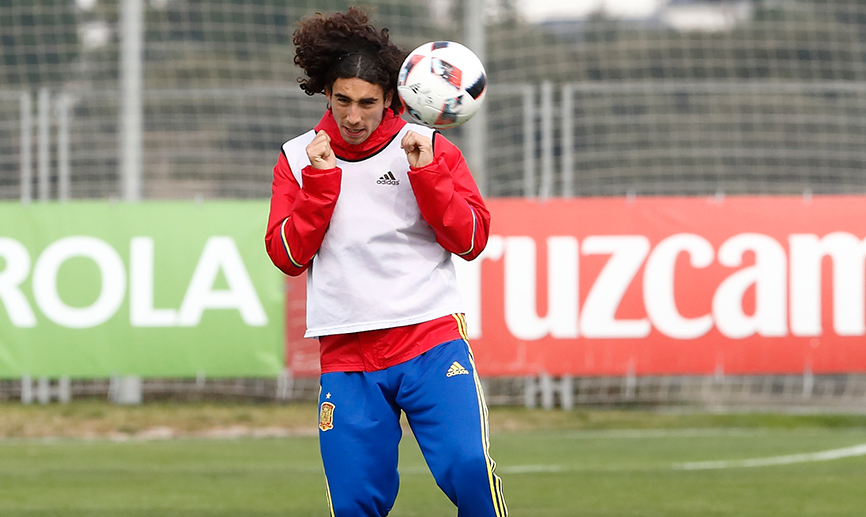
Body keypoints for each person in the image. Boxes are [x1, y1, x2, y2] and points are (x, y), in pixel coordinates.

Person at [264, 7, 507, 517]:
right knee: (355, 504)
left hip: (430, 341)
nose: (354, 116)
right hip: (348, 355)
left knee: (468, 468)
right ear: (325, 93)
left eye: (368, 103)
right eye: (342, 100)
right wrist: (321, 184)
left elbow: (471, 240)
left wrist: (429, 175)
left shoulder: (429, 149)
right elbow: (286, 256)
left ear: (392, 99)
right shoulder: (297, 159)